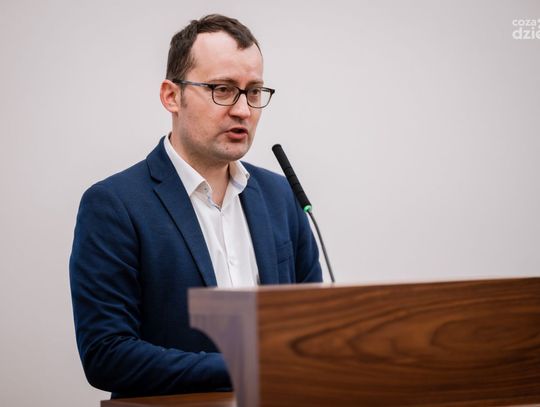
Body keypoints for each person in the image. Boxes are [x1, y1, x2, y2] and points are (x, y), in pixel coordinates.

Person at [69, 14, 322, 399]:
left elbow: (314, 328)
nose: (243, 110)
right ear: (172, 96)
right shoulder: (114, 205)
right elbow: (107, 354)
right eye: (223, 89)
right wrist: (246, 366)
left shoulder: (281, 196)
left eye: (254, 91)